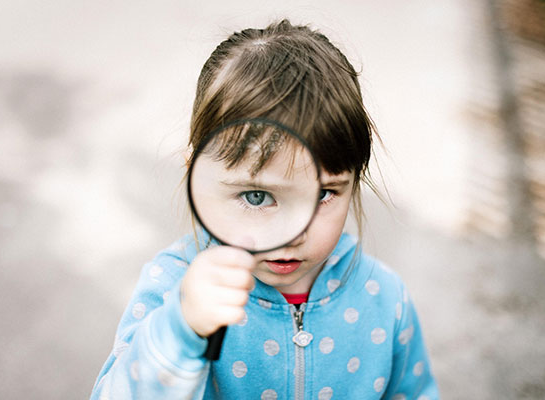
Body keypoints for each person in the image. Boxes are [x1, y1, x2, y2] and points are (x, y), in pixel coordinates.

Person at [91, 19, 439, 399]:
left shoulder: (384, 297)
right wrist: (179, 333)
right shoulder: (174, 289)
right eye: (257, 196)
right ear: (198, 176)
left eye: (323, 194)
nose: (292, 234)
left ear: (356, 178)